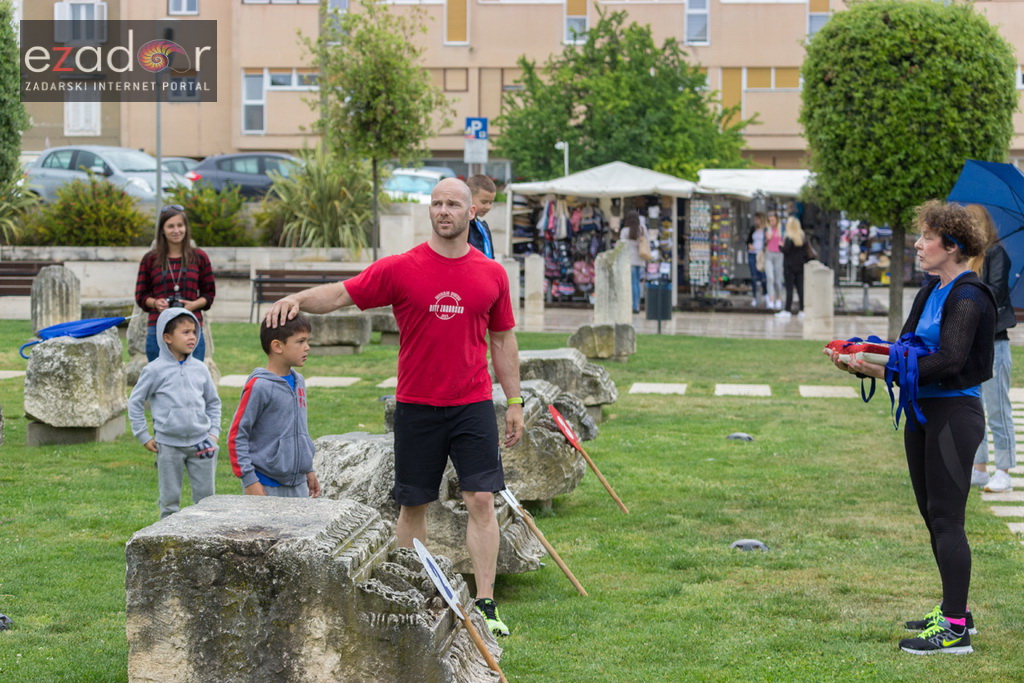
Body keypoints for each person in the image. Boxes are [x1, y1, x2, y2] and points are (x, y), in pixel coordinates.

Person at [265, 178, 524, 637]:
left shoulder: (491, 274)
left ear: (471, 213)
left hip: (472, 404)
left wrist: (515, 400)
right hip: (417, 406)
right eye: (436, 203)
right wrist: (297, 298)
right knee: (413, 504)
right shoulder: (402, 268)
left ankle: (486, 602)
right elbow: (341, 294)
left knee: (482, 500)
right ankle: (416, 594)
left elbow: (502, 340)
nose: (443, 210)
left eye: (453, 204)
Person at [825, 200, 995, 655]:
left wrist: (884, 370)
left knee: (947, 519)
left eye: (926, 237)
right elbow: (905, 350)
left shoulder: (969, 294)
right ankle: (957, 610)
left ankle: (954, 632)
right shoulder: (928, 291)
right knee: (931, 515)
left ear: (952, 245)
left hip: (954, 414)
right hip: (922, 411)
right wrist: (859, 360)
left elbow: (949, 360)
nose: (917, 244)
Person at [128, 309, 222, 519]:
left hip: (202, 444)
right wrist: (143, 435)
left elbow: (213, 403)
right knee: (169, 501)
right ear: (167, 337)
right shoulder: (154, 370)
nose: (192, 337)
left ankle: (204, 535)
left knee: (207, 501)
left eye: (194, 332)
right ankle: (166, 537)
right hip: (168, 446)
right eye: (185, 332)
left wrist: (213, 434)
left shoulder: (200, 369)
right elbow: (135, 402)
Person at [227, 314, 322, 499]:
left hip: (298, 485)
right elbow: (237, 435)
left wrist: (308, 469)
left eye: (307, 341)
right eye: (300, 341)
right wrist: (250, 481)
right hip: (265, 486)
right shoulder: (259, 386)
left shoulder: (299, 382)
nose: (307, 347)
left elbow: (299, 430)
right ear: (277, 346)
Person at [965, 204, 1016, 493]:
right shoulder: (966, 258)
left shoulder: (997, 253)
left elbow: (995, 291)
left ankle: (1004, 470)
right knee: (975, 408)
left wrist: (968, 300)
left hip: (995, 341)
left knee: (998, 409)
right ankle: (980, 467)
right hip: (971, 343)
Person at [135, 204, 216, 362]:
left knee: (193, 376)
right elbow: (141, 296)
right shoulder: (150, 259)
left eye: (180, 225)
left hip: (191, 328)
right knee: (160, 376)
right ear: (162, 230)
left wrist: (192, 305)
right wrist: (156, 303)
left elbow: (209, 295)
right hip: (158, 329)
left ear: (186, 228)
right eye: (170, 226)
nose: (176, 230)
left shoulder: (199, 257)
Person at [777, 215, 808, 319]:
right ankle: (802, 310)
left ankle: (787, 309)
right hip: (800, 266)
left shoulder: (788, 237)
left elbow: (785, 250)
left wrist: (780, 246)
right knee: (800, 289)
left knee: (789, 289)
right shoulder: (802, 237)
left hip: (789, 267)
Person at [619, 211, 645, 313]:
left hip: (630, 259)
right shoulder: (641, 229)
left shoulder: (625, 231)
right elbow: (647, 241)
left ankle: (633, 305)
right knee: (637, 283)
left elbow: (621, 245)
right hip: (640, 259)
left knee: (632, 283)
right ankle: (637, 305)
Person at [466, 175, 496, 259]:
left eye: (490, 202)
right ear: (469, 197)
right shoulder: (463, 226)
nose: (488, 207)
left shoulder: (484, 227)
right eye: (484, 202)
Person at [764, 213, 785, 310]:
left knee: (778, 279)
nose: (771, 222)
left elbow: (785, 241)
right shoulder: (767, 229)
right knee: (770, 277)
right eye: (770, 220)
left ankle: (778, 298)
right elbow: (764, 241)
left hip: (779, 254)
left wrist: (782, 243)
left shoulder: (782, 229)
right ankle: (771, 299)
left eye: (773, 220)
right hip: (769, 254)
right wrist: (767, 238)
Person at [746, 214, 767, 307]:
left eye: (757, 219)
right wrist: (749, 245)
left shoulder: (765, 230)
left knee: (763, 277)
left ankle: (766, 294)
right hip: (752, 254)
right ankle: (755, 297)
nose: (755, 221)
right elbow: (748, 240)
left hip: (761, 255)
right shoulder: (753, 229)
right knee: (754, 277)